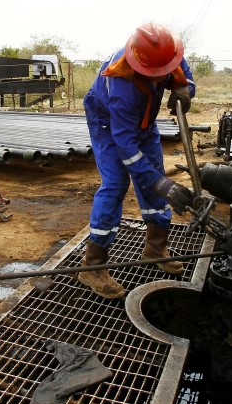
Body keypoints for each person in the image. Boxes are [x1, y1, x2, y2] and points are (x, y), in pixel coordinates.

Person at [80, 22, 196, 299]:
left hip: (145, 120)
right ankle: (92, 265)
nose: (160, 79)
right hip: (109, 123)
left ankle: (155, 248)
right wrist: (162, 184)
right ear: (138, 66)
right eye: (153, 76)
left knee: (153, 173)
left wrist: (186, 90)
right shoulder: (122, 88)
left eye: (163, 73)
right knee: (116, 183)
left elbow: (187, 78)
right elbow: (128, 151)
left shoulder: (166, 52)